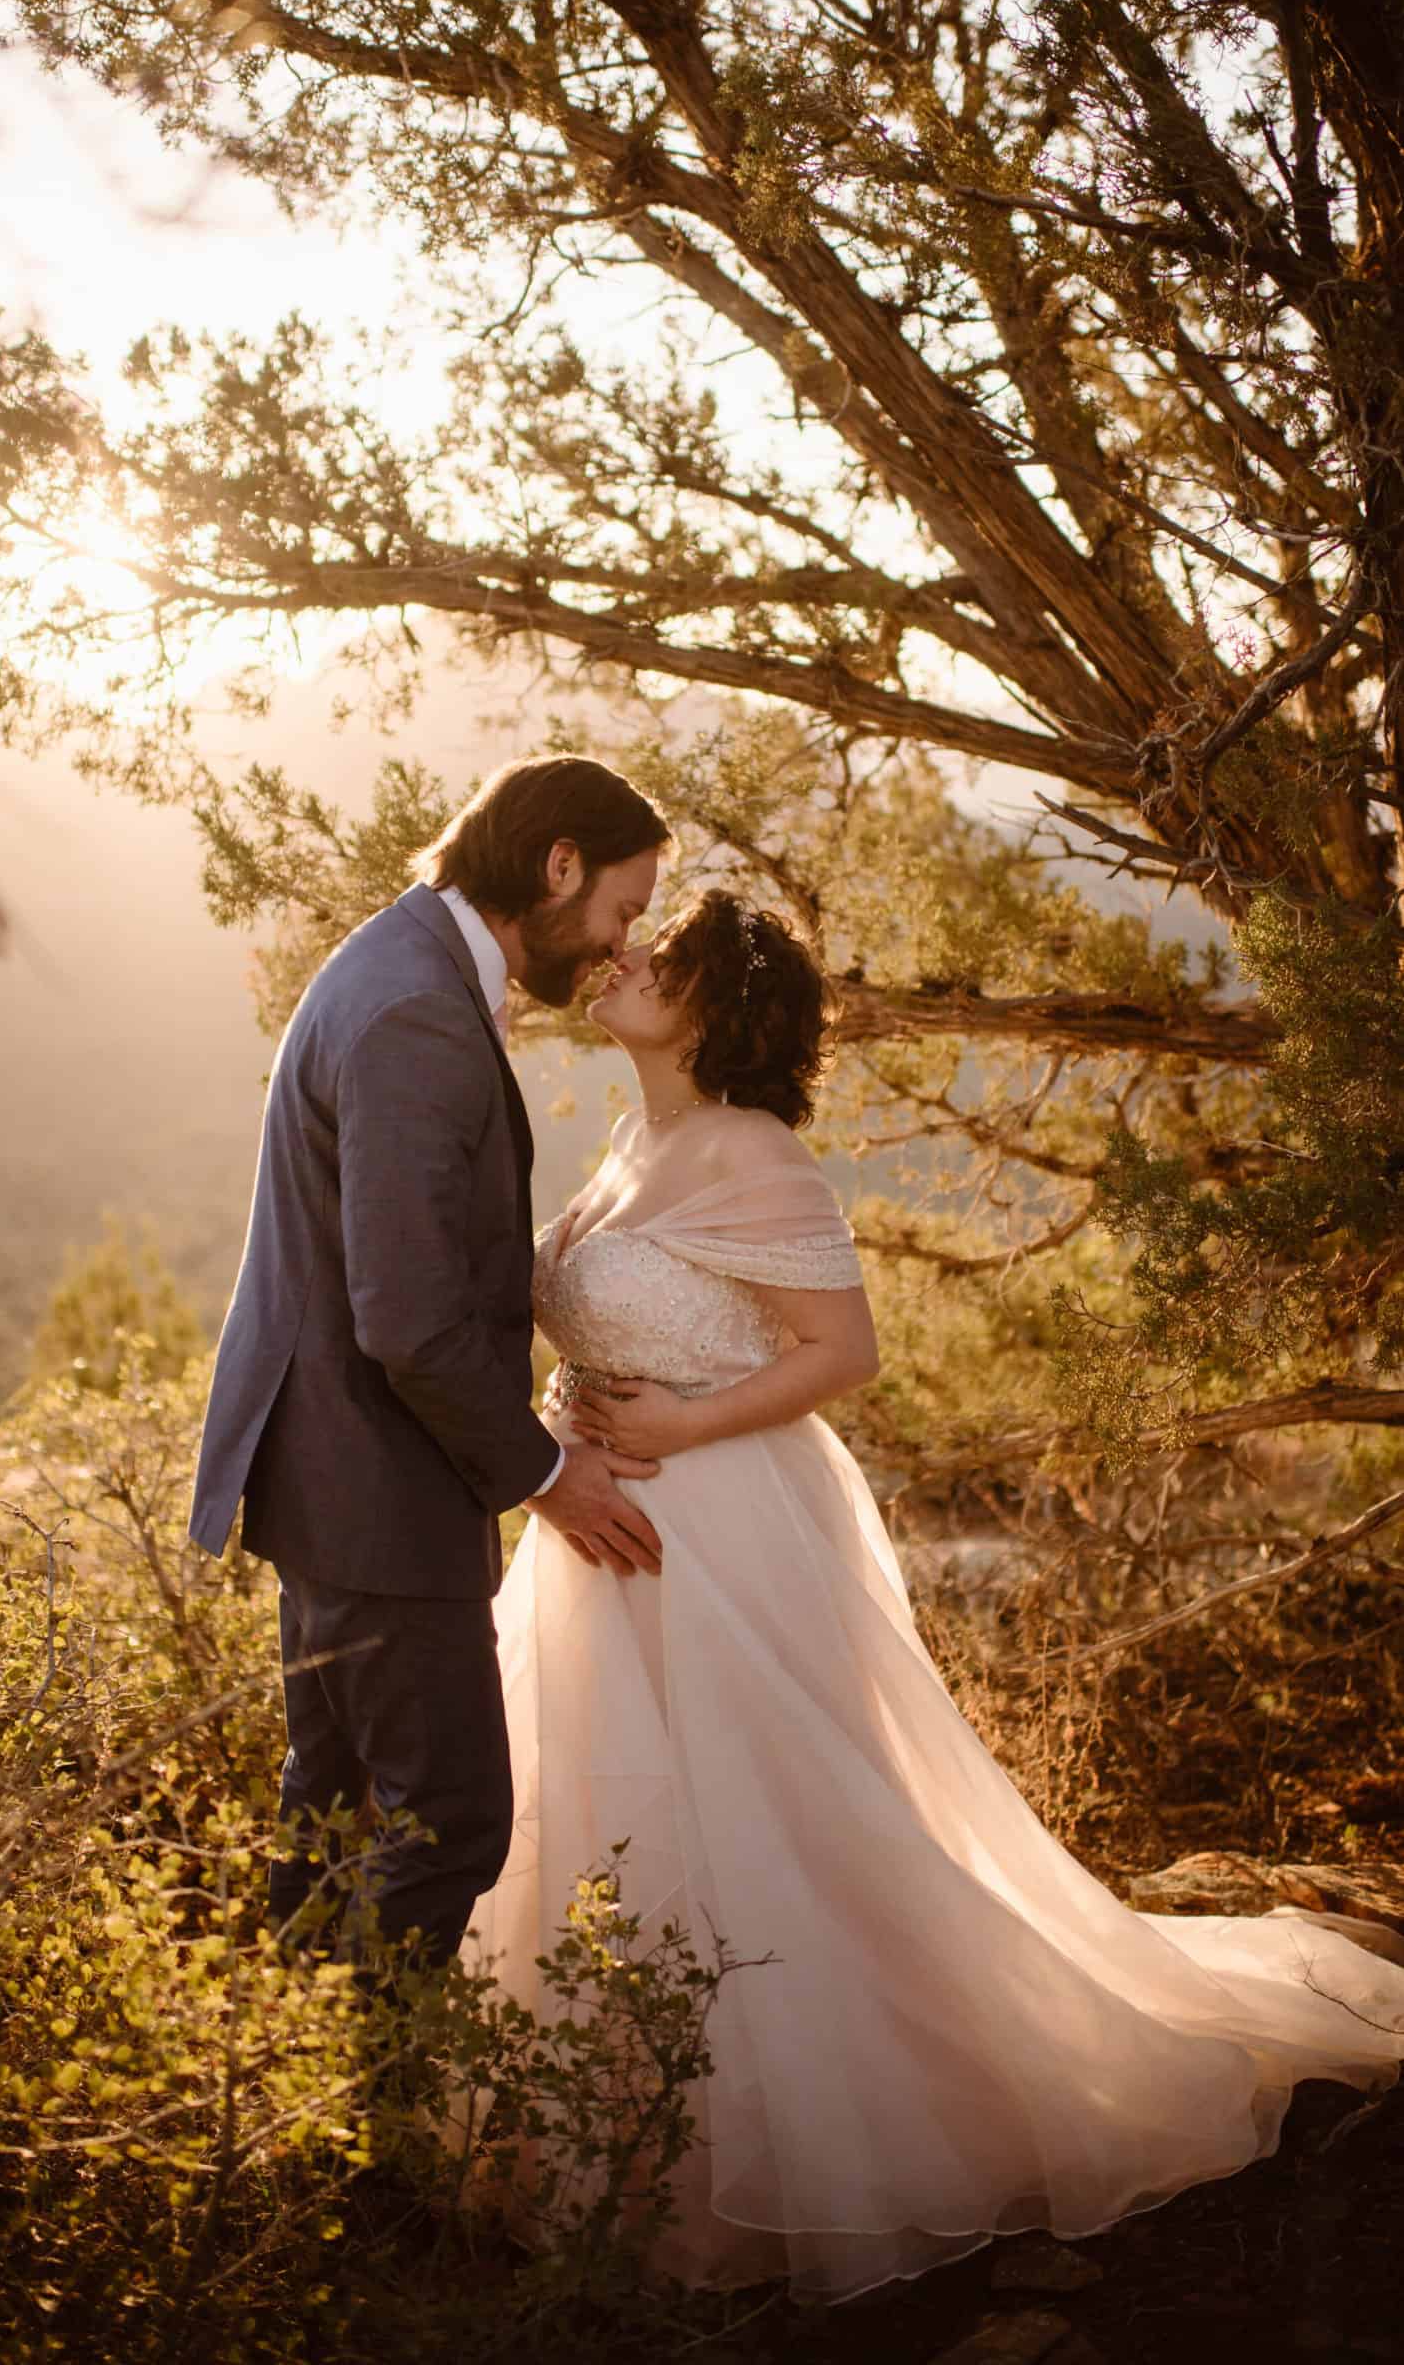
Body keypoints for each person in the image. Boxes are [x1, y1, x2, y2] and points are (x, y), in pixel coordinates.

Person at [461, 885, 1404, 2304]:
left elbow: (844, 1352)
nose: (622, 958)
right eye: (628, 941)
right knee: (613, 1811)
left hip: (715, 1524)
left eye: (662, 955)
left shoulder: (752, 1152)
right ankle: (617, 2117)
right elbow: (610, 1314)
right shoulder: (628, 1146)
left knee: (771, 1812)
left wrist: (675, 1428)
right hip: (606, 1527)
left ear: (717, 1005)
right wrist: (572, 1406)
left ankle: (820, 2124)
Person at [186, 753, 672, 1970]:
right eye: (620, 908)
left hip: (332, 1487)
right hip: (377, 1493)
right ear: (556, 865)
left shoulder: (400, 962)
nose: (615, 945)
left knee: (339, 1811)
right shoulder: (415, 1011)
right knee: (446, 1820)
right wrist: (541, 1470)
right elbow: (405, 1315)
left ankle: (299, 2118)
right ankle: (375, 2144)